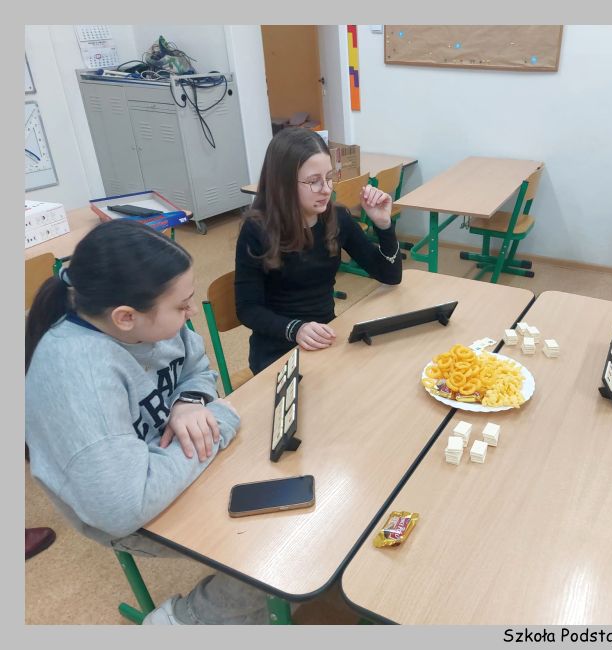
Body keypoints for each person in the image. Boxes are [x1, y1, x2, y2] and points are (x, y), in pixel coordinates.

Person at [25, 220, 268, 624]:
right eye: (182, 307)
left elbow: (196, 367)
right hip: (134, 512)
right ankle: (182, 622)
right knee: (271, 546)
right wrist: (218, 422)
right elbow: (123, 508)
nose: (191, 312)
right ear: (125, 318)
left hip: (177, 466)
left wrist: (190, 402)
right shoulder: (79, 376)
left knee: (287, 484)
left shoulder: (148, 321)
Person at [235, 128, 403, 375]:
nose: (326, 189)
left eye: (329, 177)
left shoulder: (336, 218)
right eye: (314, 181)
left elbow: (390, 275)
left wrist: (384, 226)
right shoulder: (257, 230)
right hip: (277, 348)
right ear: (283, 183)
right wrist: (296, 329)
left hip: (325, 338)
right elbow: (248, 309)